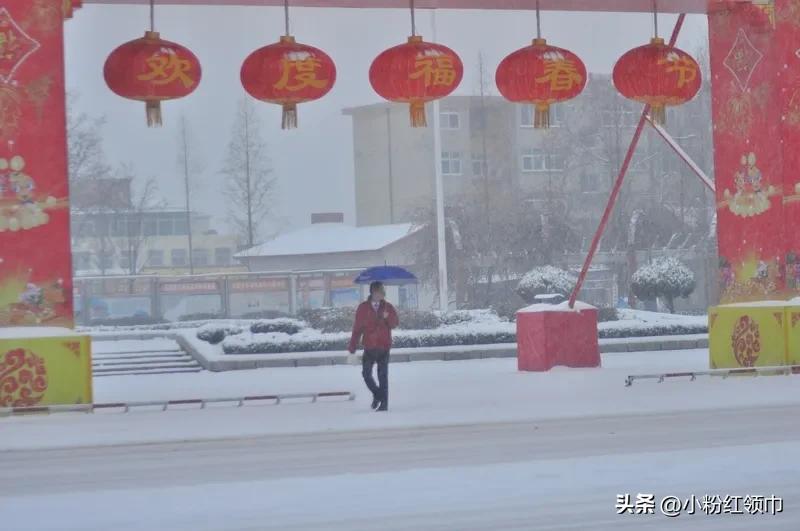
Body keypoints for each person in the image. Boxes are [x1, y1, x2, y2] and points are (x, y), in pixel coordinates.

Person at [348, 281, 399, 411]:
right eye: (380, 291)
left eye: (383, 291)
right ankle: (378, 394)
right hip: (369, 347)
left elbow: (394, 324)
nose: (382, 294)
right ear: (373, 292)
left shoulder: (388, 307)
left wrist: (388, 318)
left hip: (383, 347)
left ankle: (384, 404)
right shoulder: (363, 308)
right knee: (366, 374)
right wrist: (352, 349)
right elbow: (357, 329)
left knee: (383, 376)